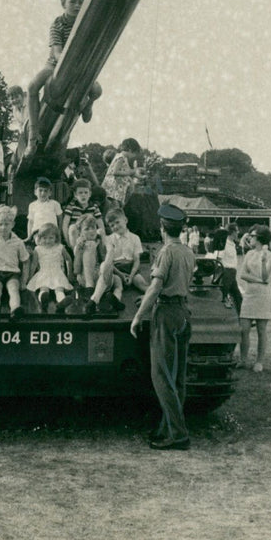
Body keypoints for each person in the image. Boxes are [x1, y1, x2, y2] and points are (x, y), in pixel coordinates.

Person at [131, 203, 194, 450]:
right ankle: (167, 428)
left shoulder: (165, 252)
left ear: (162, 227)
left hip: (166, 314)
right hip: (182, 312)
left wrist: (138, 315)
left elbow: (157, 286)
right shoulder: (187, 251)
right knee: (177, 377)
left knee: (162, 377)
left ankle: (178, 434)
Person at [26, 0, 103, 151]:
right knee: (32, 87)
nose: (77, 5)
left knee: (97, 90)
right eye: (73, 1)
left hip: (80, 66)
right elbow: (57, 52)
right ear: (63, 3)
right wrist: (69, 66)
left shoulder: (85, 24)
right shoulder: (58, 24)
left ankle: (89, 105)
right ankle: (33, 132)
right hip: (56, 65)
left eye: (80, 2)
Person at [85, 208, 147, 315]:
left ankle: (149, 297)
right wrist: (122, 275)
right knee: (118, 284)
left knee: (141, 282)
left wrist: (131, 276)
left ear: (125, 220)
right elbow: (108, 261)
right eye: (112, 225)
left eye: (117, 222)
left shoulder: (135, 238)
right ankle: (116, 300)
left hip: (131, 268)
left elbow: (136, 260)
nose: (115, 226)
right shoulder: (109, 239)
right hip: (116, 269)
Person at [238, 226, 271, 372]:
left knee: (261, 330)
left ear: (260, 238)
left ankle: (259, 362)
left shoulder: (270, 256)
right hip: (249, 294)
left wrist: (262, 261)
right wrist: (259, 281)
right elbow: (243, 274)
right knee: (244, 329)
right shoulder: (248, 254)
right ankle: (243, 359)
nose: (250, 238)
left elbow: (265, 276)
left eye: (252, 236)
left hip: (263, 296)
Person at [26, 223, 73, 312]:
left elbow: (68, 259)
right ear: (39, 238)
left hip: (57, 273)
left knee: (59, 289)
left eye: (51, 238)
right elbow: (34, 264)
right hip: (43, 273)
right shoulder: (38, 249)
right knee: (43, 288)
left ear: (56, 238)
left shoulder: (60, 247)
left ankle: (61, 302)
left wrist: (69, 273)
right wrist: (30, 277)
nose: (47, 241)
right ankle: (44, 300)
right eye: (44, 238)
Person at [102, 138, 144, 209]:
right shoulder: (121, 158)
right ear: (130, 150)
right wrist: (129, 172)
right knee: (114, 208)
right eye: (134, 154)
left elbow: (128, 171)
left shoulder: (124, 158)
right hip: (113, 190)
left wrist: (140, 177)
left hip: (117, 191)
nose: (134, 156)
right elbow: (115, 172)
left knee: (118, 206)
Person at [62, 179, 105, 249]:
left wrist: (102, 234)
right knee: (72, 227)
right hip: (77, 235)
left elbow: (100, 223)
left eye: (85, 192)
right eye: (80, 193)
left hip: (90, 233)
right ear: (75, 194)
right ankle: (75, 252)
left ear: (90, 194)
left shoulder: (94, 207)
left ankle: (103, 253)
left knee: (101, 230)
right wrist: (68, 242)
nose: (83, 195)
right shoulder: (71, 207)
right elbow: (65, 224)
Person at [72, 214, 106, 290]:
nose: (91, 231)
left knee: (117, 279)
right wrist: (79, 250)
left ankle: (115, 295)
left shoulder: (99, 242)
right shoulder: (79, 246)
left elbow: (105, 261)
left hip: (99, 275)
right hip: (85, 277)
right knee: (90, 245)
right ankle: (89, 287)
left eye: (93, 228)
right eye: (86, 229)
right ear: (80, 233)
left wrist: (102, 241)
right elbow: (77, 270)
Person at [26, 177, 63, 242]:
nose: (43, 193)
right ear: (35, 192)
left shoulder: (55, 204)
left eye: (46, 191)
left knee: (52, 243)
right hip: (38, 231)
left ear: (50, 193)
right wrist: (29, 236)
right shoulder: (32, 205)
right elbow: (30, 222)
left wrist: (59, 232)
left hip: (51, 230)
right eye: (40, 190)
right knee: (39, 241)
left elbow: (60, 218)